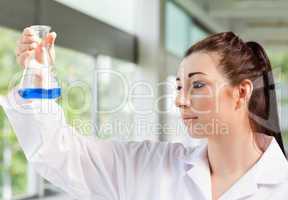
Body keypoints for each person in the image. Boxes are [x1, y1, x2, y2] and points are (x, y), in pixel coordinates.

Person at [1, 27, 288, 200]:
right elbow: (60, 154)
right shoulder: (148, 166)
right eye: (179, 86)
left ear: (241, 92)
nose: (180, 100)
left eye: (197, 85)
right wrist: (37, 79)